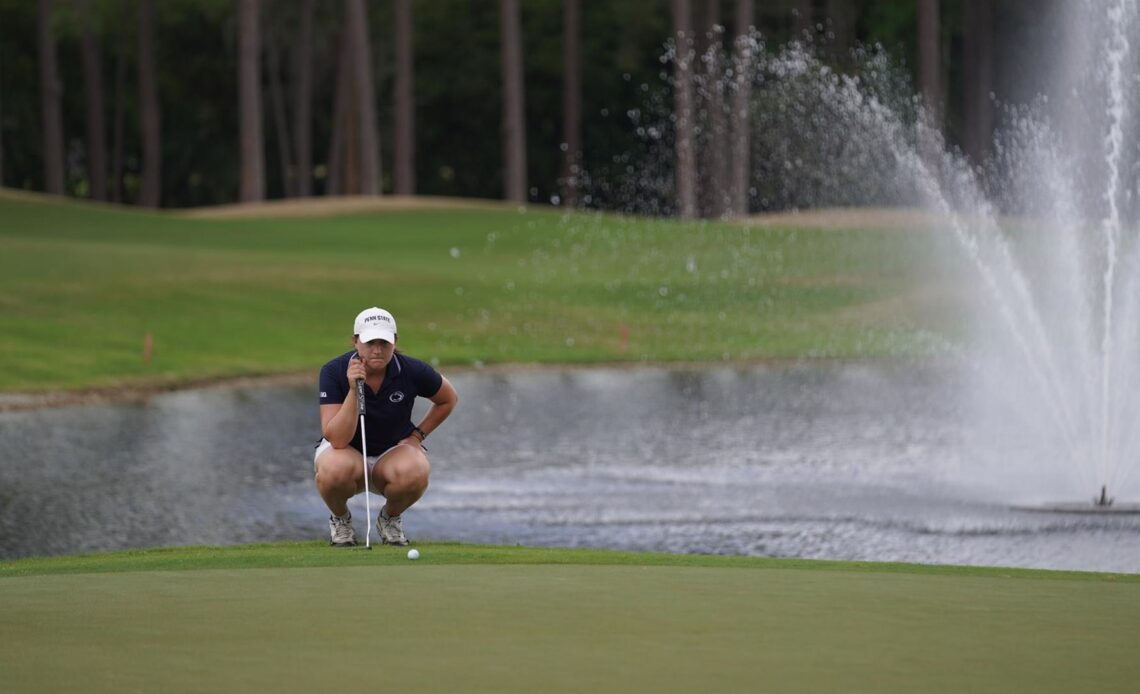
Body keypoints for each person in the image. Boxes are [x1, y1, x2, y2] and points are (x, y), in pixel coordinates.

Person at [314, 307, 458, 546]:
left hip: (392, 454)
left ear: (395, 342)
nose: (378, 350)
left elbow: (448, 399)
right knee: (333, 471)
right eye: (370, 342)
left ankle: (389, 519)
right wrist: (353, 389)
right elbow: (337, 439)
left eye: (384, 342)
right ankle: (341, 520)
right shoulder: (334, 371)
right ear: (356, 341)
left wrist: (417, 436)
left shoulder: (412, 370)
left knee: (416, 471)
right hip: (346, 452)